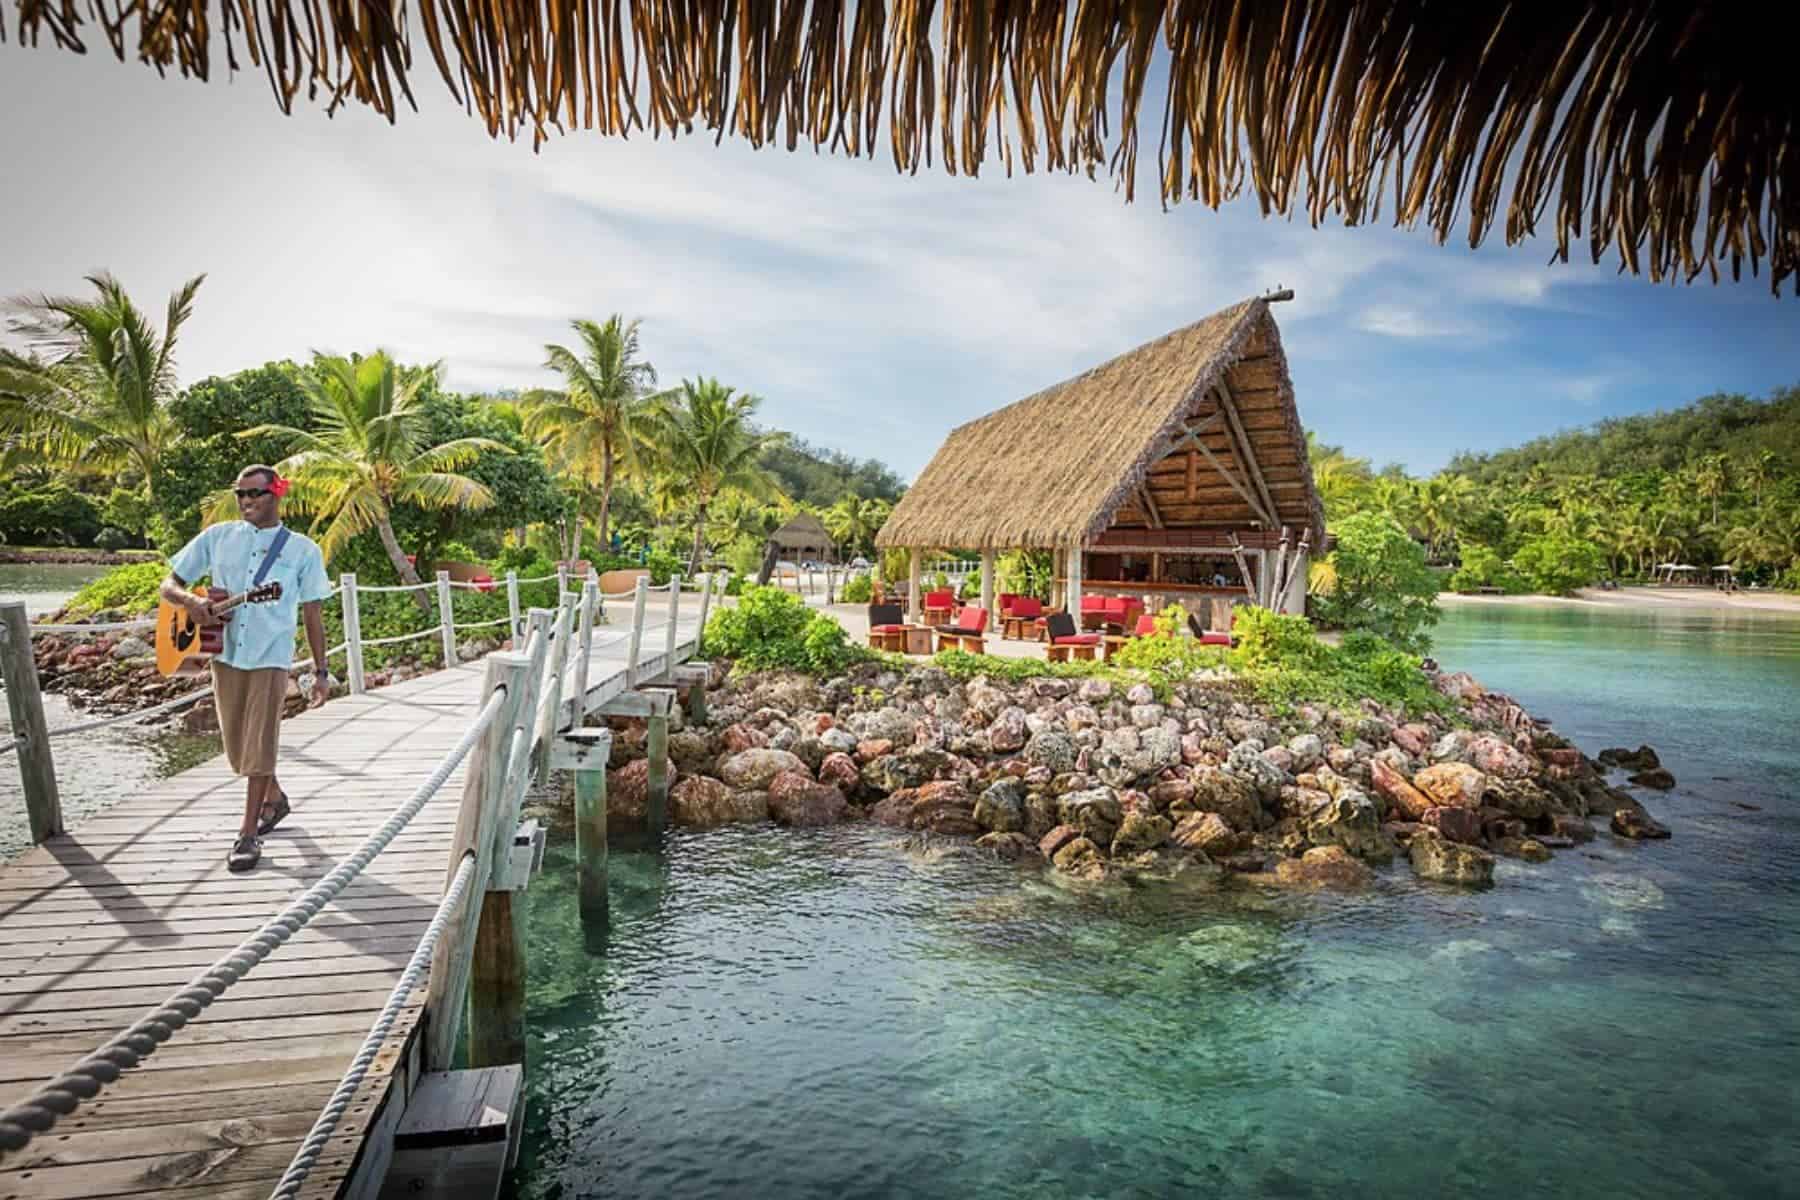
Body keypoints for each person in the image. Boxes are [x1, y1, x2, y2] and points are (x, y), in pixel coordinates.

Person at [159, 465, 334, 872]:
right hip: (225, 653)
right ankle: (274, 797)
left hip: (271, 655)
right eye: (241, 494)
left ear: (277, 495)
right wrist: (192, 602)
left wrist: (321, 673)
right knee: (238, 748)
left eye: (255, 493)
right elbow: (169, 584)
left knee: (260, 741)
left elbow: (313, 615)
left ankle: (248, 833)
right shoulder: (217, 537)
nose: (246, 501)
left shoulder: (303, 551)